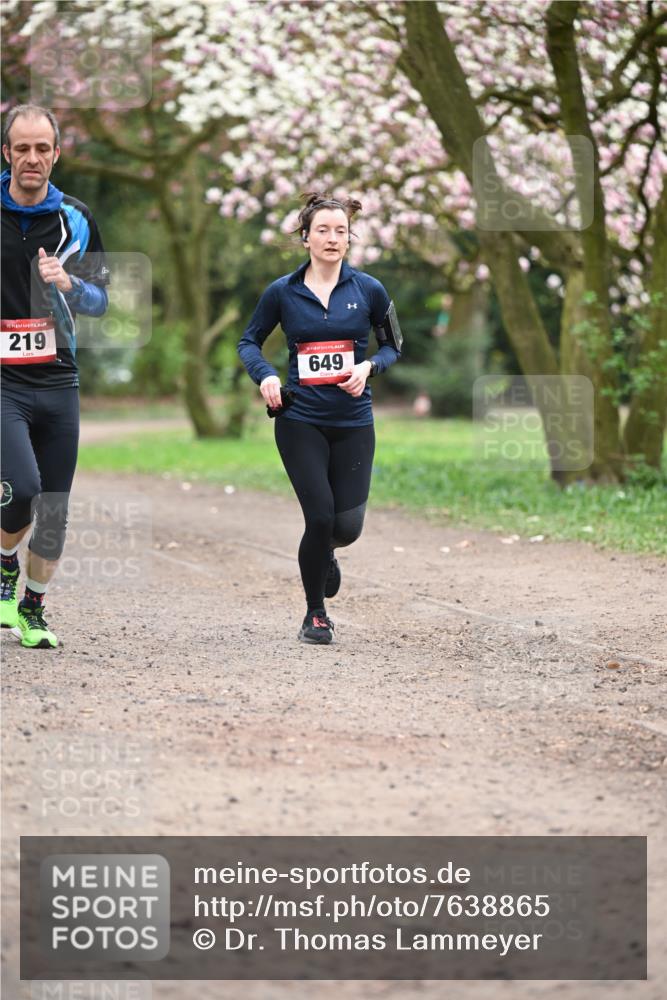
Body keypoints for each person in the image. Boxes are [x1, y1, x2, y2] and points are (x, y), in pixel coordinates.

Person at [238, 193, 401, 645]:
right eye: (323, 230)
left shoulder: (369, 290)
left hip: (353, 420)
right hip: (299, 420)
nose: (332, 238)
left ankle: (327, 551)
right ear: (306, 237)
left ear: (350, 239)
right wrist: (266, 376)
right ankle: (316, 613)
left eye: (341, 231)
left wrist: (369, 367)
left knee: (345, 528)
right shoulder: (282, 292)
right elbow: (248, 342)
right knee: (320, 515)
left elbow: (392, 345)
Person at [1, 104, 110, 649]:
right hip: (3, 382)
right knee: (21, 490)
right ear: (6, 153)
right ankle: (2, 562)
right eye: (22, 148)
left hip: (59, 376)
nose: (33, 158)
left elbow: (102, 300)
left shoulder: (76, 217)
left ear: (56, 153)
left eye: (42, 148)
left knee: (54, 512)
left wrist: (69, 284)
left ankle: (32, 608)